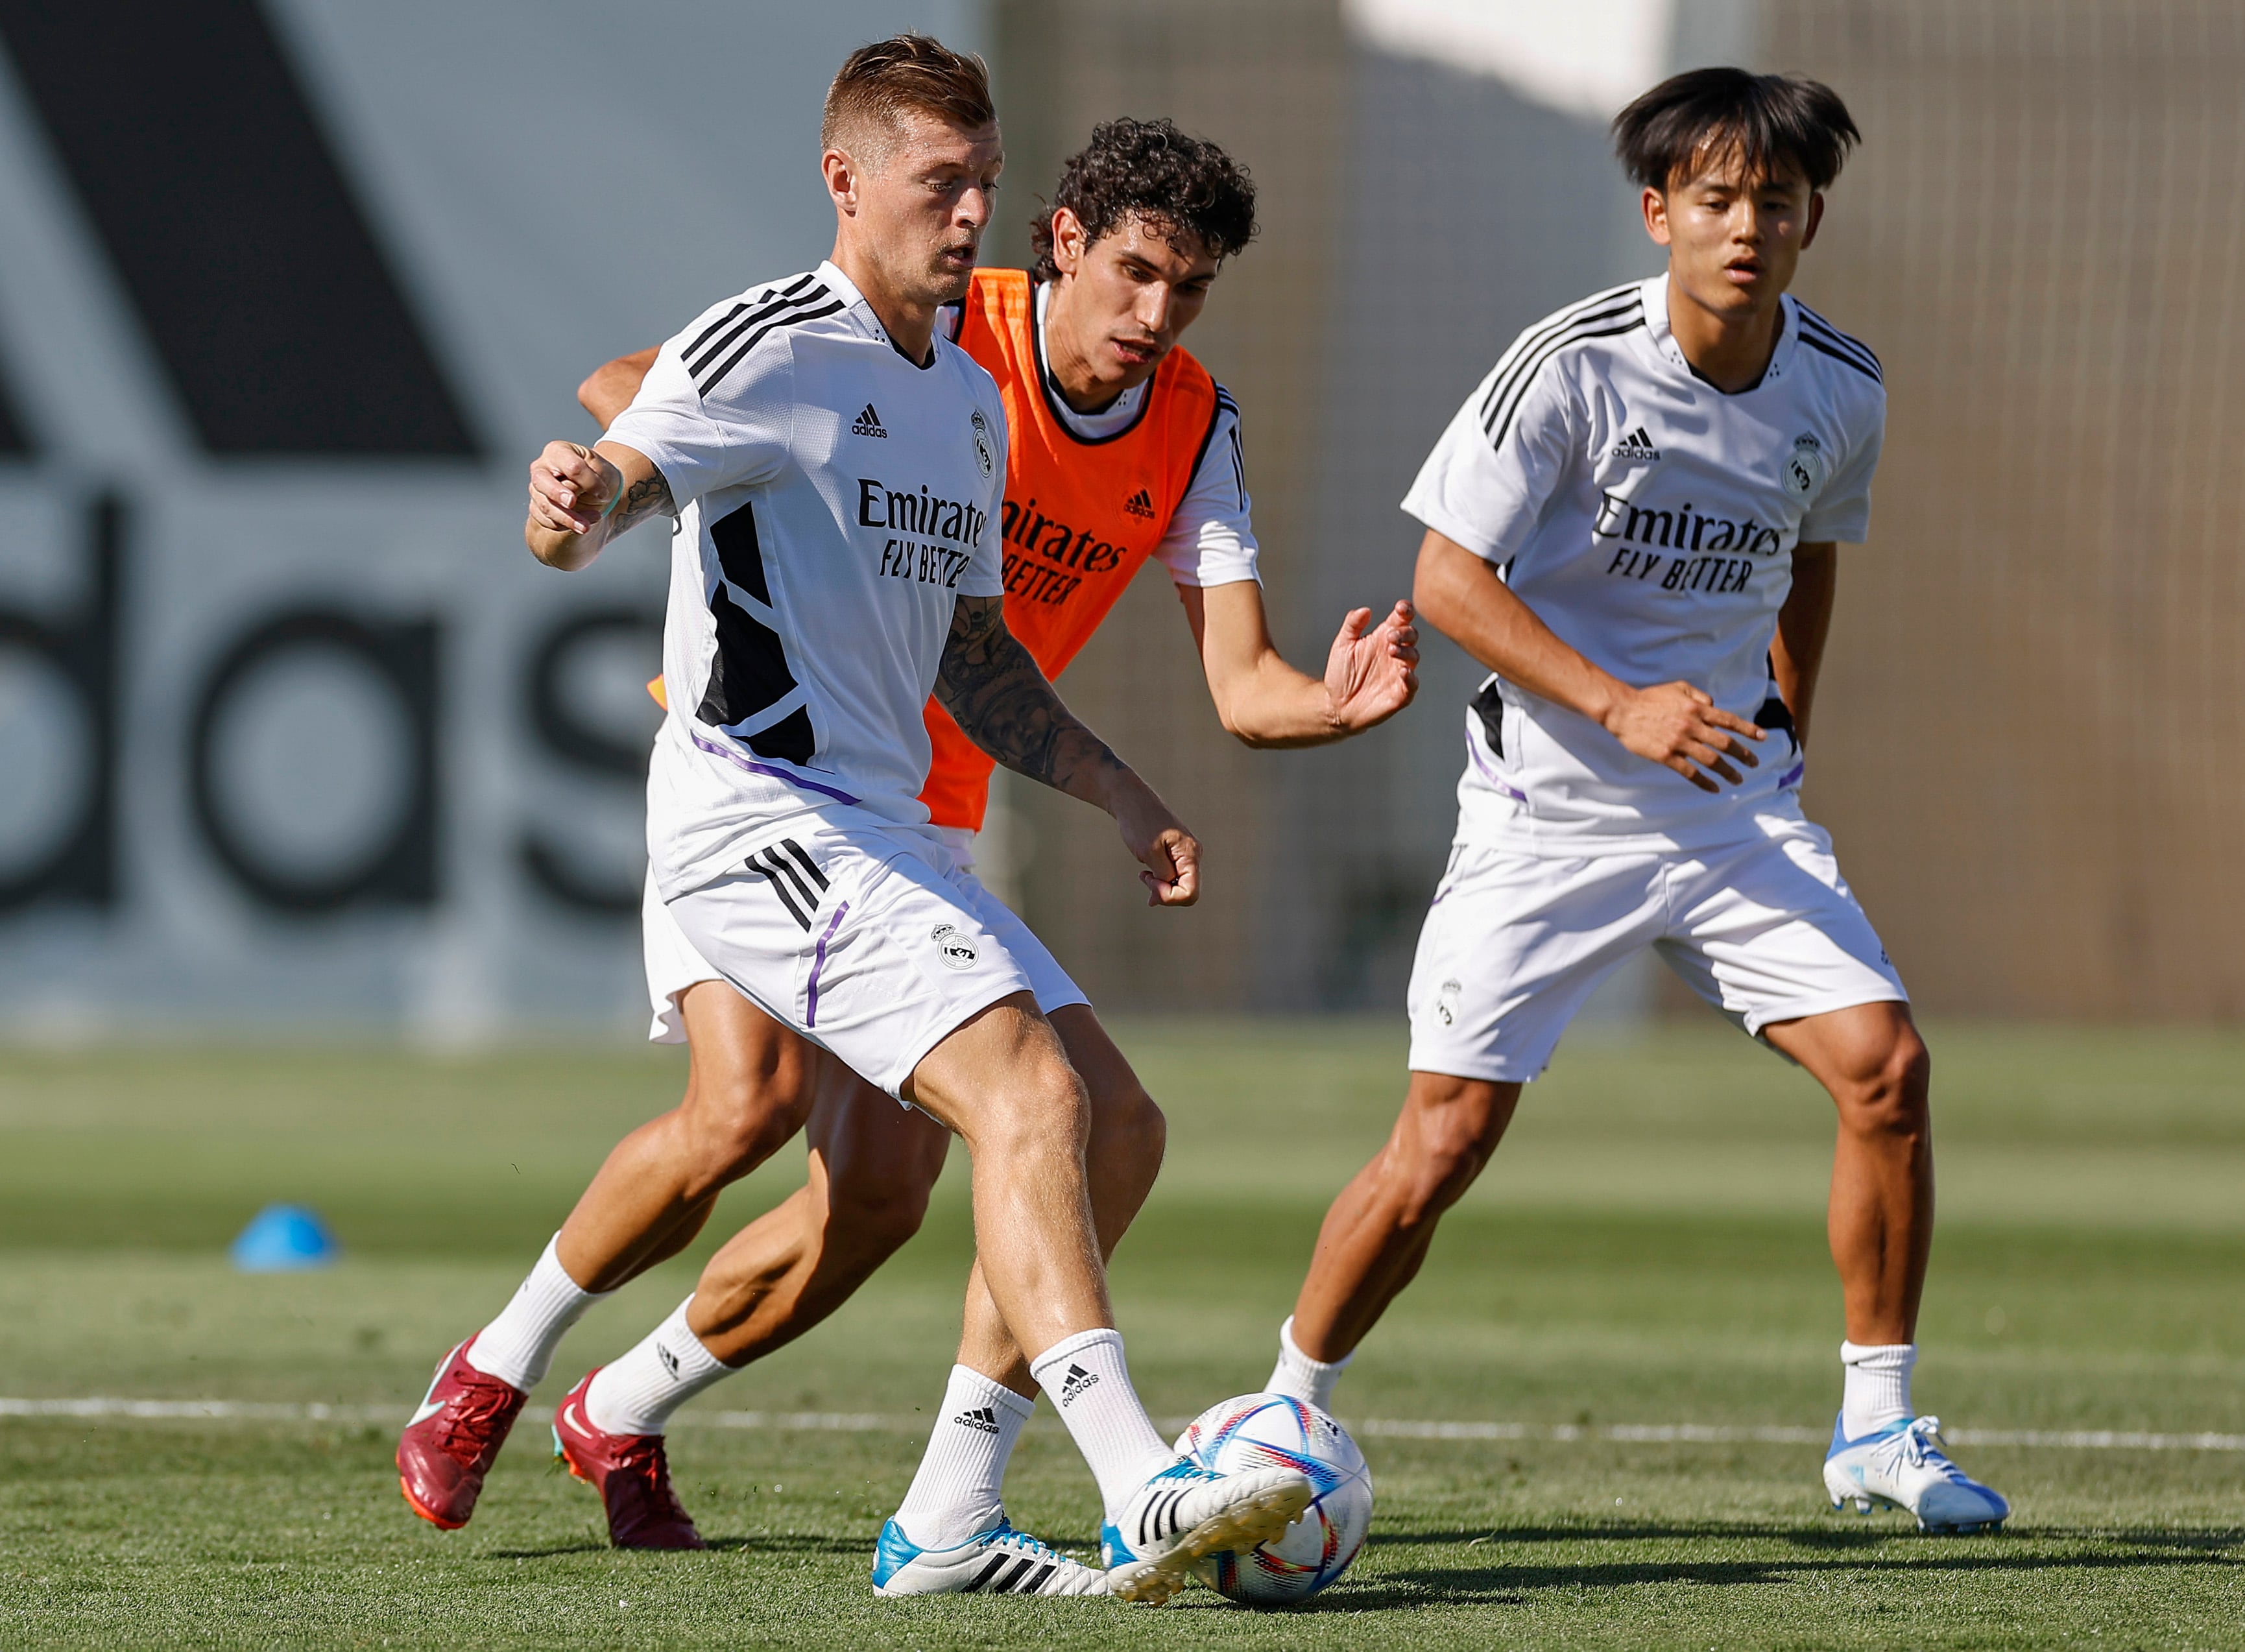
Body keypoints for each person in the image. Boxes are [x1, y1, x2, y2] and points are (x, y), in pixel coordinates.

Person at [400, 38, 1375, 1605]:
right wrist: (584, 497)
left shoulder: (970, 404)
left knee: (1073, 1138)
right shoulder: (787, 336)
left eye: (985, 178)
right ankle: (1143, 1477)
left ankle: (930, 1512)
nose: (972, 209)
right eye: (948, 183)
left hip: (901, 822)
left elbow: (978, 657)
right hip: (750, 804)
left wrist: (1127, 790)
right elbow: (632, 449)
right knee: (847, 1103)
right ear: (848, 182)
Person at [1257, 67, 2008, 1535]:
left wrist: (1789, 725)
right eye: (1716, 200)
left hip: (1730, 809)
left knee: (1888, 1071)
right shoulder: (1571, 366)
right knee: (1444, 1142)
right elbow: (1444, 580)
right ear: (1660, 212)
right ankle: (1284, 1400)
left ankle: (1875, 1421)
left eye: (1774, 202)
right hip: (1548, 810)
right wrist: (1619, 706)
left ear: (1811, 219)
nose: (1746, 226)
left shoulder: (1841, 383)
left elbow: (1810, 552)